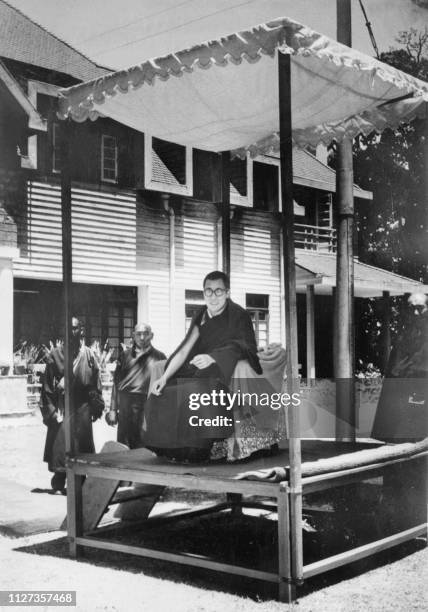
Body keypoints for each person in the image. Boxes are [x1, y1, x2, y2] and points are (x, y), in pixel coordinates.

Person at [141, 270, 263, 462]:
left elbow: (246, 346)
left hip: (223, 371)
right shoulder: (201, 314)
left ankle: (197, 450)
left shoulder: (239, 315)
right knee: (165, 391)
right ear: (203, 293)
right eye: (208, 291)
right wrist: (164, 378)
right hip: (200, 370)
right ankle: (170, 449)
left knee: (194, 393)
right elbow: (184, 349)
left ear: (227, 293)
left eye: (218, 291)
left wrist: (214, 358)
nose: (213, 297)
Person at [40, 317, 104, 493]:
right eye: (68, 329)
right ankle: (59, 480)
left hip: (82, 405)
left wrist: (97, 405)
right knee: (61, 443)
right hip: (63, 405)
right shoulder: (55, 355)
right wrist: (51, 412)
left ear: (81, 331)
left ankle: (81, 482)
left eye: (75, 328)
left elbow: (95, 381)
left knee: (81, 444)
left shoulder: (89, 354)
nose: (72, 332)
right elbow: (46, 386)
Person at [105, 323, 166, 448]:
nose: (142, 337)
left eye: (146, 334)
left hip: (148, 404)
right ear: (133, 336)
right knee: (125, 445)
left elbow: (165, 385)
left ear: (152, 335)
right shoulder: (125, 356)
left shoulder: (160, 357)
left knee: (145, 445)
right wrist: (112, 409)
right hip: (126, 405)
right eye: (139, 334)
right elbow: (116, 384)